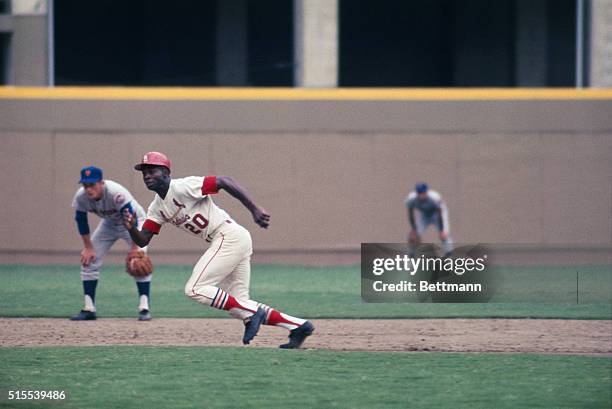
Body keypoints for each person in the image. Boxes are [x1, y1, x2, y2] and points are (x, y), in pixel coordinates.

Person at [123, 152, 314, 349]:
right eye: (144, 172)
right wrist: (131, 228)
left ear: (165, 172)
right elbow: (144, 238)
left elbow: (224, 181)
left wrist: (254, 208)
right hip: (231, 239)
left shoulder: (181, 187)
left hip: (228, 236)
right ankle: (299, 326)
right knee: (240, 306)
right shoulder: (156, 208)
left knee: (195, 288)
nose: (146, 176)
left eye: (152, 171)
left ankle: (254, 314)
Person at [71, 166, 152, 321]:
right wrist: (88, 248)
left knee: (138, 261)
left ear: (101, 183)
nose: (88, 189)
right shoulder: (81, 197)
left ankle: (144, 308)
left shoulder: (116, 193)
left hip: (134, 222)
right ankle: (89, 308)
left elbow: (130, 219)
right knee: (89, 261)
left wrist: (136, 248)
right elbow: (81, 220)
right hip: (108, 224)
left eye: (92, 185)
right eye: (85, 185)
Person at [405, 182, 454, 257]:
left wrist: (441, 230)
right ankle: (411, 257)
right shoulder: (411, 199)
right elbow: (411, 214)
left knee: (444, 236)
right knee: (412, 237)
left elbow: (439, 213)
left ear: (426, 192)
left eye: (423, 193)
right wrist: (414, 229)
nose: (421, 195)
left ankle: (450, 255)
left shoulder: (434, 197)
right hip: (425, 215)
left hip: (437, 215)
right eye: (419, 193)